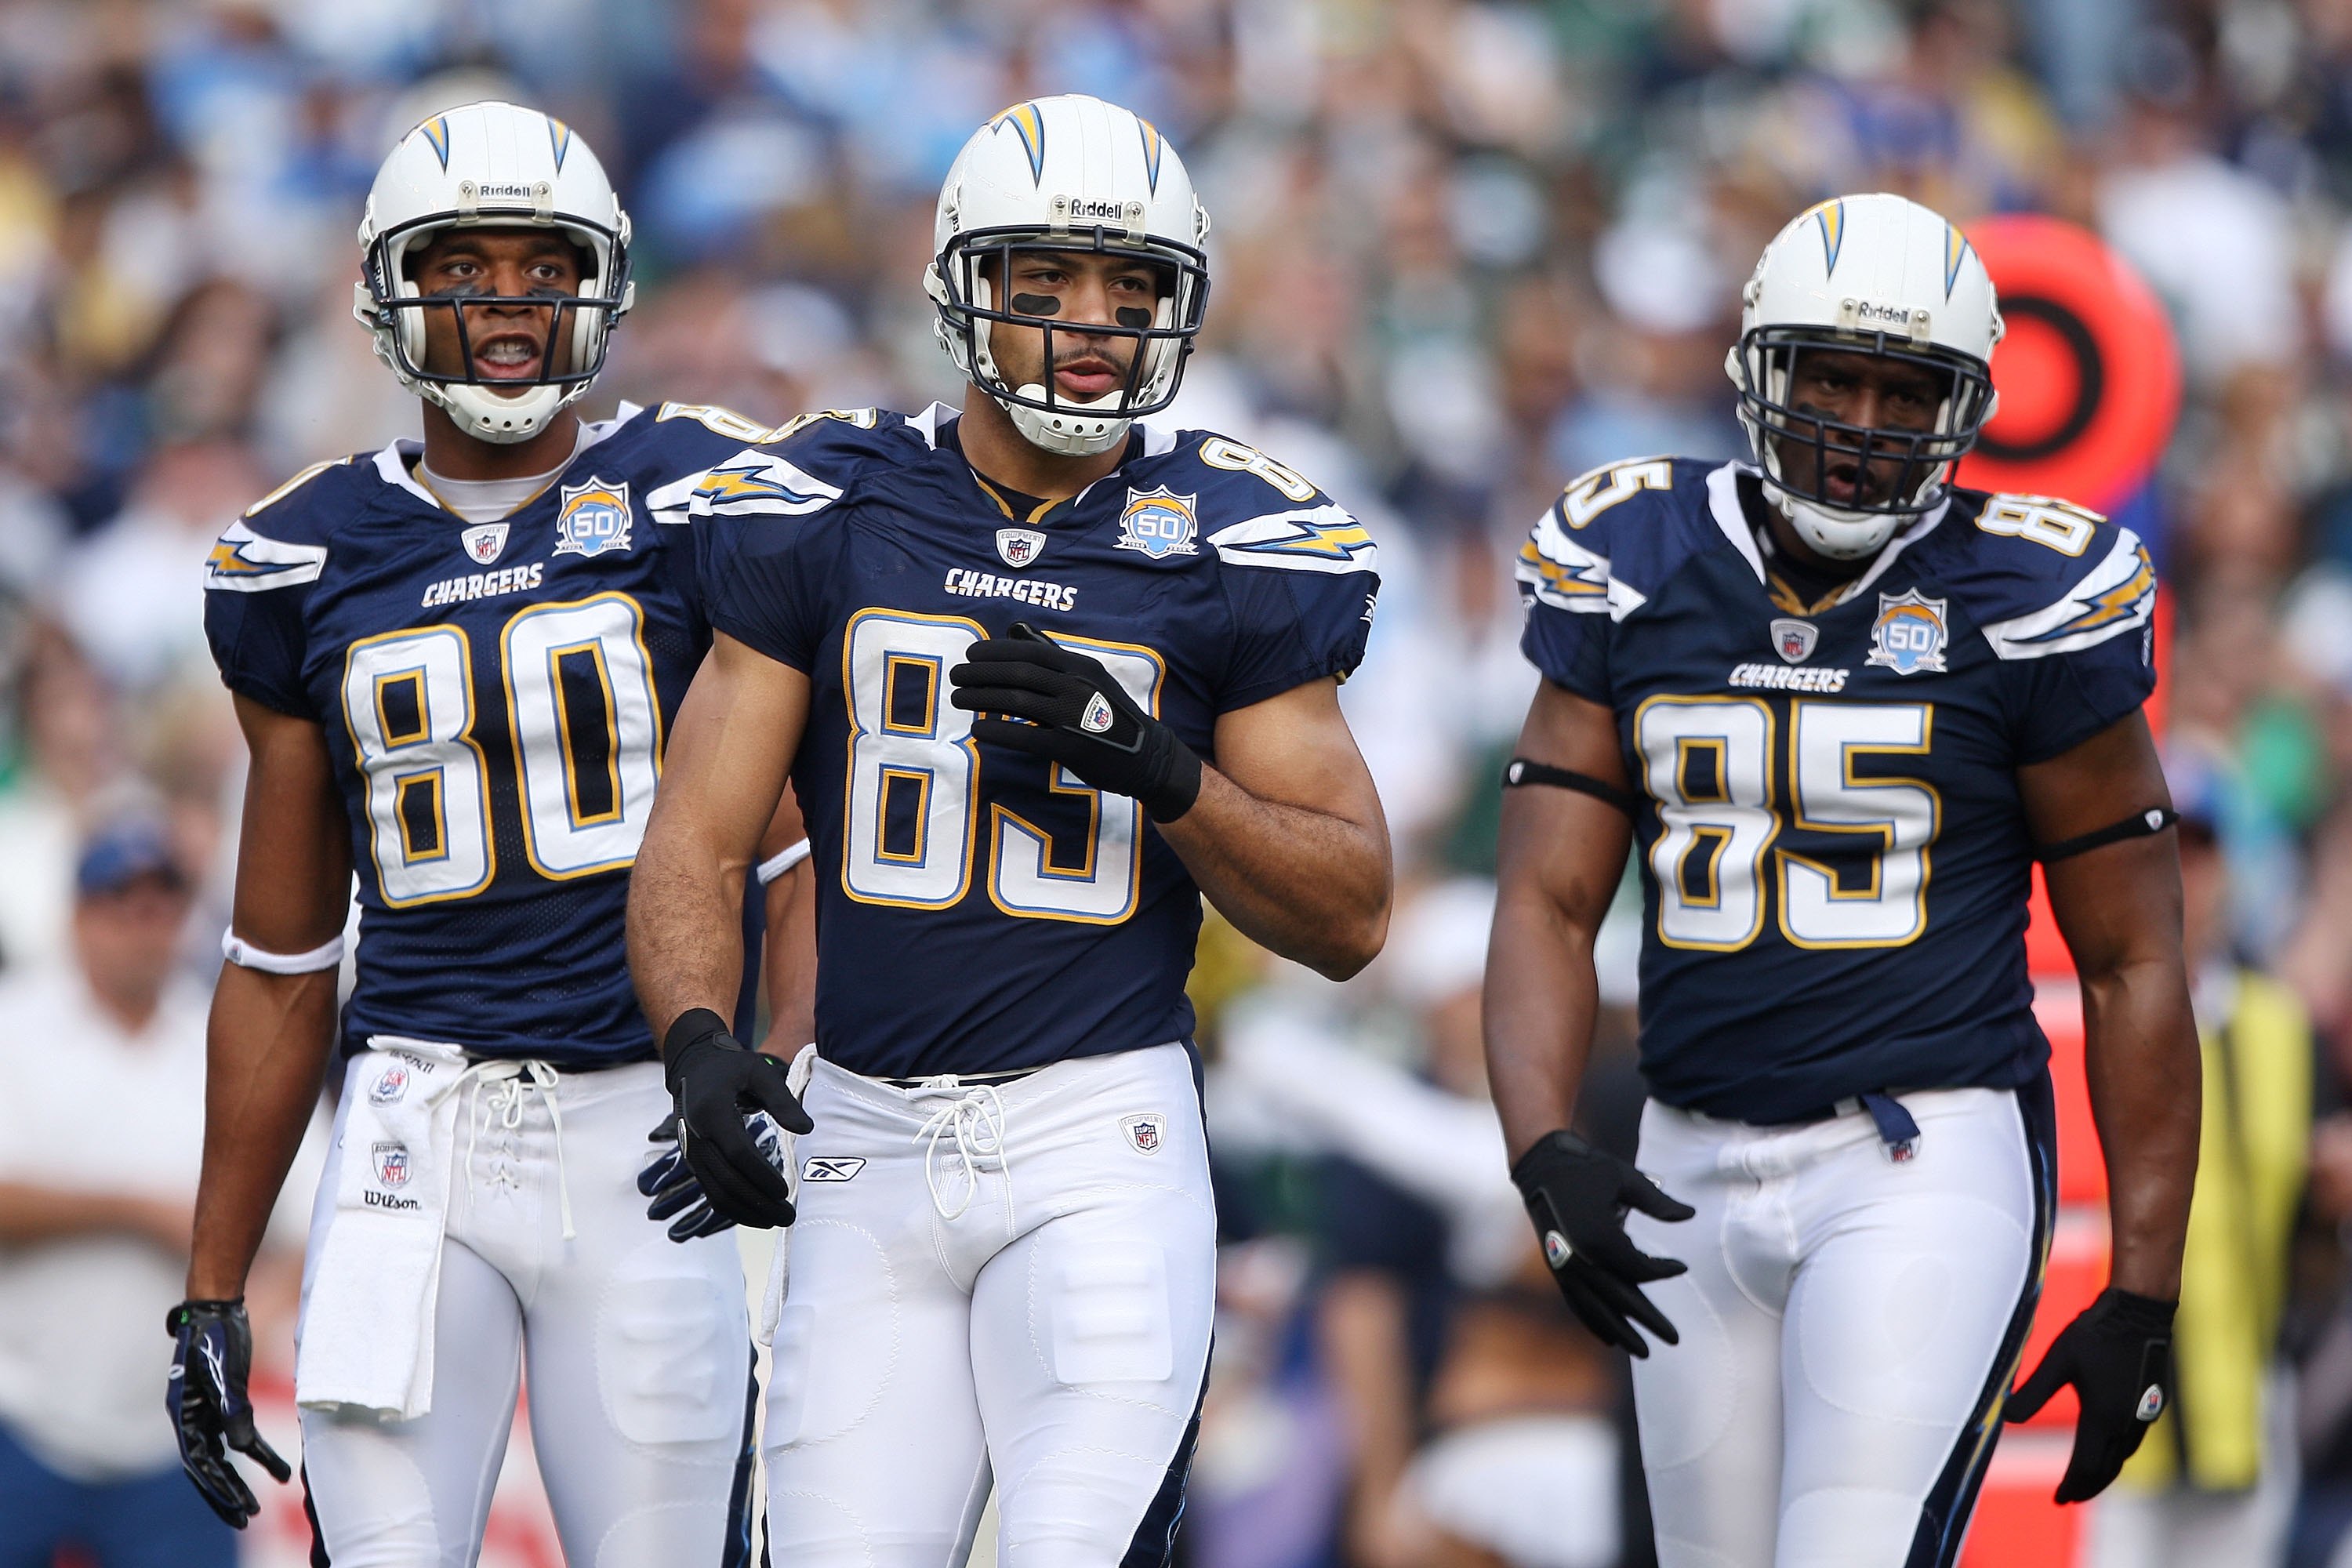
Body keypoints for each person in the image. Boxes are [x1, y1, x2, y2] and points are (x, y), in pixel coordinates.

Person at [625, 93, 1392, 1567]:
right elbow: (697, 836)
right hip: (859, 1142)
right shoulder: (829, 498)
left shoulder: (1227, 532)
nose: (1094, 322)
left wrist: (1162, 770)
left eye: (1134, 287)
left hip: (1097, 1138)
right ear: (964, 286)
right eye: (1047, 281)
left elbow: (1351, 911)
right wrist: (699, 1041)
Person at [1483, 191, 2201, 1567]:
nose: (1865, 423)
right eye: (1835, 377)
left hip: (1917, 1155)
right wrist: (1543, 1144)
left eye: (1903, 389)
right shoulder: (1638, 557)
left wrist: (2145, 1294)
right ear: (1763, 371)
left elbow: (2133, 957)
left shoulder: (2024, 594)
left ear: (1965, 407)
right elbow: (1546, 899)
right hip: (1686, 1152)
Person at [173, 100, 811, 1566]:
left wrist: (775, 1076)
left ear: (600, 283)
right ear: (393, 290)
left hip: (645, 1125)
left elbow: (787, 854)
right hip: (417, 1129)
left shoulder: (698, 497)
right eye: (465, 265)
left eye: (542, 265)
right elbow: (278, 955)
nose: (507, 300)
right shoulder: (301, 556)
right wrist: (212, 1285)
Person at [0, 818, 306, 1568]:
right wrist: (140, 1212)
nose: (144, 927)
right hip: (20, 1408)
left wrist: (258, 1309)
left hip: (175, 1433)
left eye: (161, 905)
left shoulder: (227, 1034)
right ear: (76, 917)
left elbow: (318, 1208)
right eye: (121, 904)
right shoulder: (17, 1025)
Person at [2087, 751, 2309, 1567]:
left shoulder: (2282, 1025)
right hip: (2107, 1425)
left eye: (2203, 846)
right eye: (2163, 842)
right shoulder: (2070, 1022)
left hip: (2239, 1414)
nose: (2183, 872)